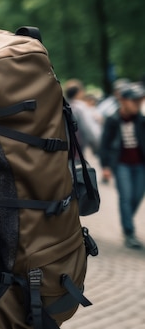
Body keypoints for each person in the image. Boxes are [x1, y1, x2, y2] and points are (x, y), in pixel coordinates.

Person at [99, 81, 145, 249]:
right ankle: (129, 232)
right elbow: (104, 144)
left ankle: (127, 221)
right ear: (123, 100)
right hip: (121, 164)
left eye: (140, 100)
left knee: (137, 196)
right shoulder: (113, 120)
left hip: (140, 164)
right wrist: (105, 166)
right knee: (125, 197)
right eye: (135, 101)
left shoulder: (141, 120)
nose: (138, 104)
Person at [64, 78, 101, 156]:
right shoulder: (81, 107)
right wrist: (96, 145)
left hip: (68, 146)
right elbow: (88, 127)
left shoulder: (65, 107)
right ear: (79, 92)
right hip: (81, 145)